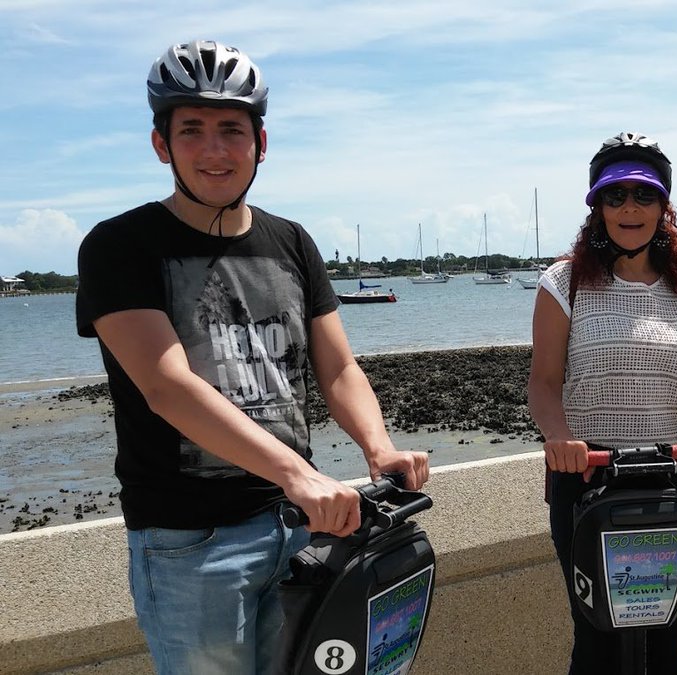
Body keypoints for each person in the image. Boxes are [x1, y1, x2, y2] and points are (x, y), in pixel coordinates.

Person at [75, 40, 429, 674]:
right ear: (162, 145)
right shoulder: (119, 246)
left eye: (232, 131)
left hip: (300, 528)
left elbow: (338, 369)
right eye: (192, 130)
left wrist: (379, 448)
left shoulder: (291, 241)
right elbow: (168, 386)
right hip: (190, 543)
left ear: (260, 143)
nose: (215, 150)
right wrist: (296, 473)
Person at [527, 132, 677, 674]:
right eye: (616, 196)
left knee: (667, 631)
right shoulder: (563, 283)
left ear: (665, 206)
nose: (630, 208)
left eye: (644, 195)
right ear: (597, 208)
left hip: (671, 473)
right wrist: (559, 440)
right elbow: (543, 382)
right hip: (587, 476)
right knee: (594, 634)